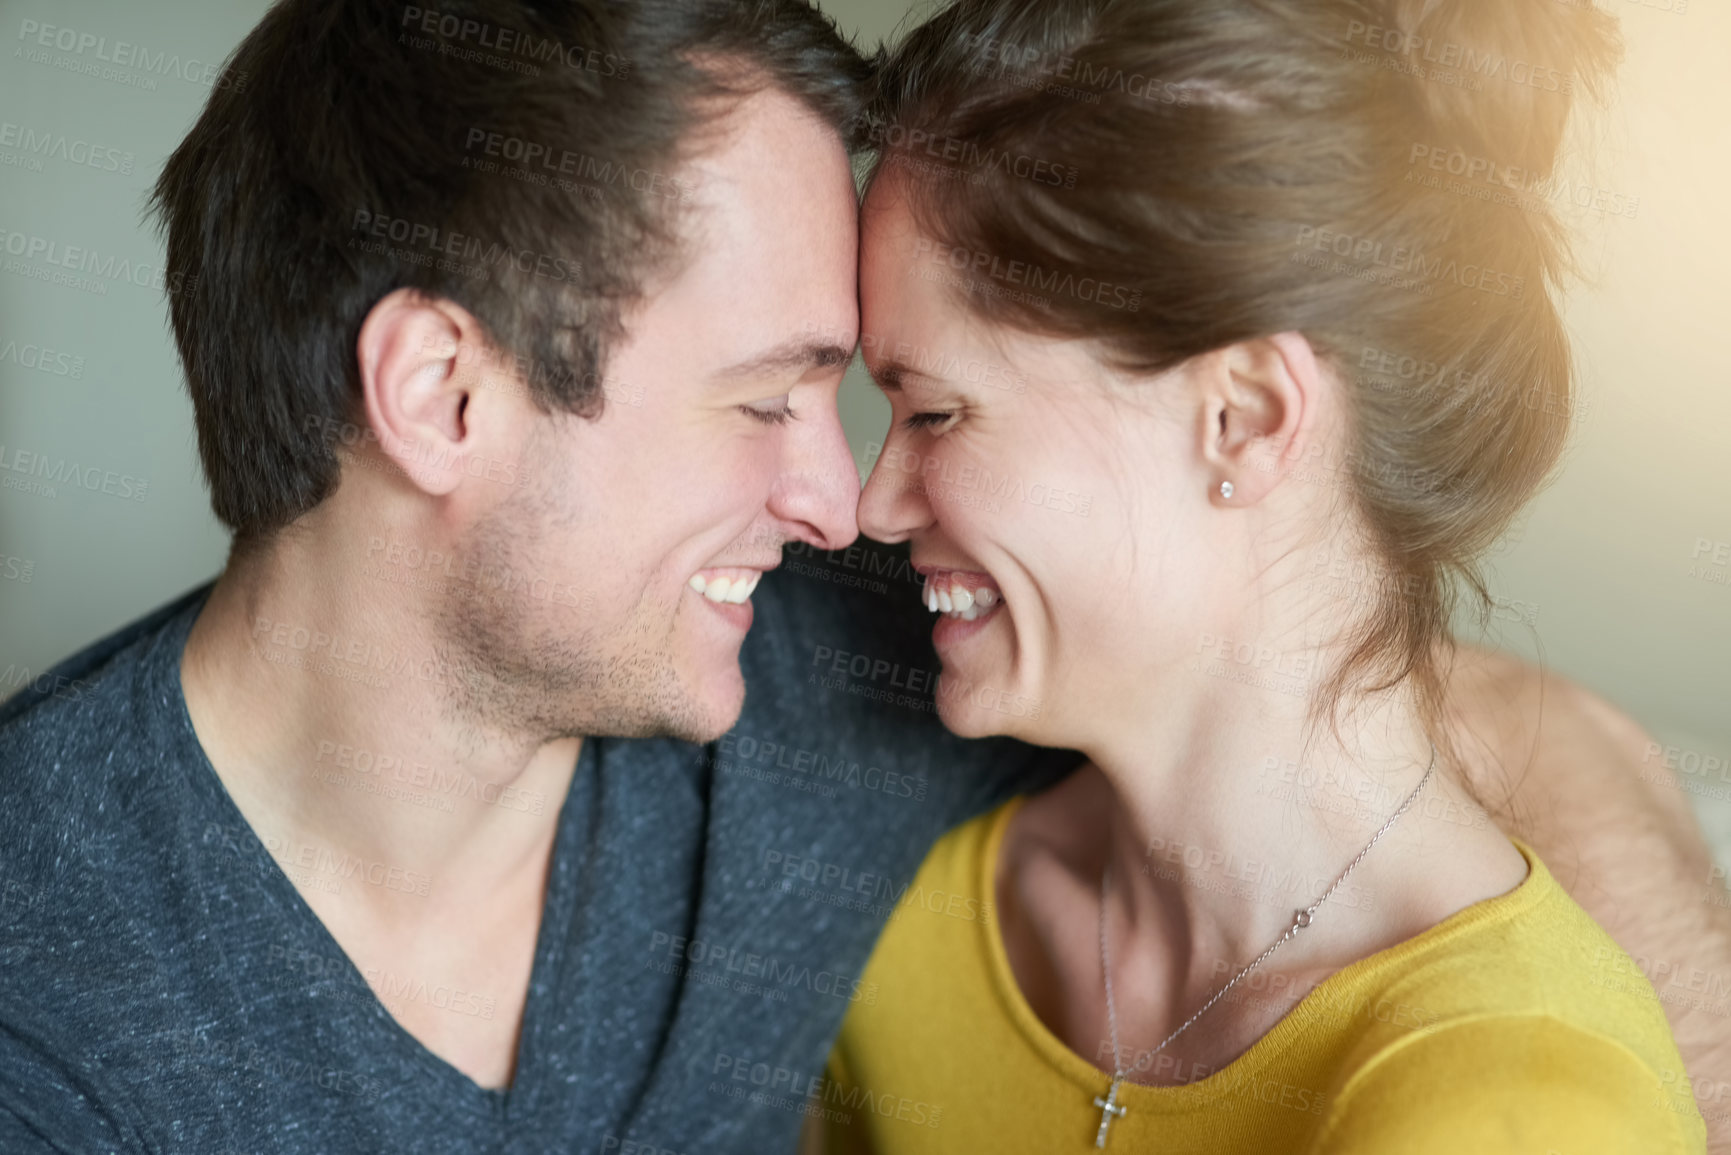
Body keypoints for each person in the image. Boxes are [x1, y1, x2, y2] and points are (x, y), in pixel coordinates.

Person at [0, 2, 1723, 1154]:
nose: (840, 506)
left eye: (906, 404)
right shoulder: (48, 1004)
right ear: (445, 395)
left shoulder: (822, 665)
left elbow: (1429, 714)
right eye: (767, 400)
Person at [819, 0, 1722, 1150]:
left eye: (936, 411)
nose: (872, 504)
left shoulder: (1528, 1096)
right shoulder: (903, 918)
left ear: (1243, 418)